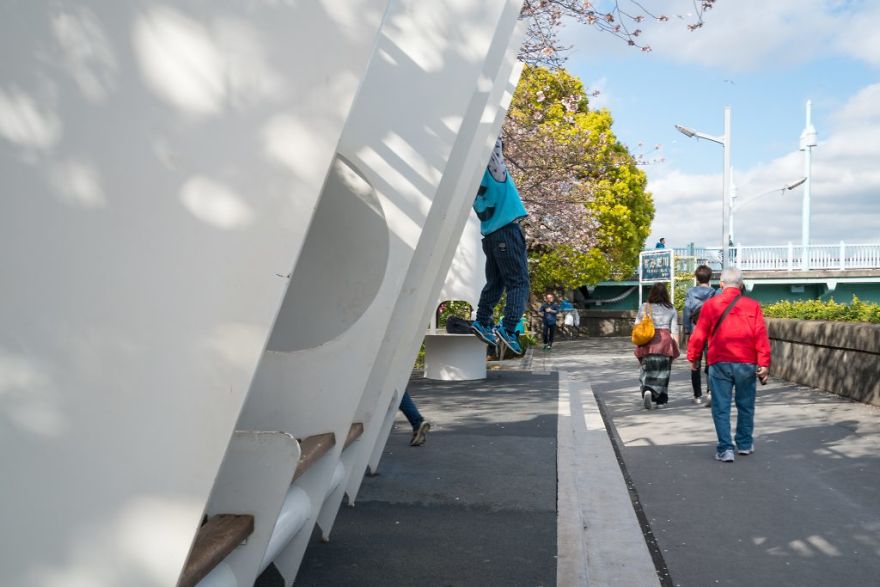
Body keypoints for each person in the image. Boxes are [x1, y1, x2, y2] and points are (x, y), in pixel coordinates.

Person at [687, 267, 770, 463]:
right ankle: (744, 444)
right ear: (741, 285)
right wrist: (764, 362)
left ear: (721, 284)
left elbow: (698, 335)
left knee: (721, 407)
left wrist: (694, 358)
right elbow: (760, 336)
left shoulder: (710, 306)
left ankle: (725, 449)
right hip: (746, 362)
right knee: (746, 405)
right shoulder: (753, 306)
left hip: (719, 361)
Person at [470, 137, 529, 357]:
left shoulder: (471, 180)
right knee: (519, 282)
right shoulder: (495, 169)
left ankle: (482, 321)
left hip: (490, 236)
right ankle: (509, 327)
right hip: (507, 230)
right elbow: (493, 141)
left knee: (496, 282)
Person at [634, 283, 679, 409]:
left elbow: (637, 325)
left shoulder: (645, 307)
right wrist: (676, 348)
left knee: (646, 368)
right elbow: (674, 330)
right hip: (665, 341)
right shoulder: (671, 308)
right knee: (664, 370)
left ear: (651, 293)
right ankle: (661, 400)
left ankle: (647, 390)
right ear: (666, 294)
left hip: (648, 340)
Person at [682, 264, 719, 405]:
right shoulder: (714, 293)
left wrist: (686, 330)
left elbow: (686, 311)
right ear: (710, 278)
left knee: (695, 363)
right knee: (710, 362)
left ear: (696, 278)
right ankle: (710, 392)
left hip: (695, 330)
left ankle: (697, 396)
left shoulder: (691, 292)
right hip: (711, 333)